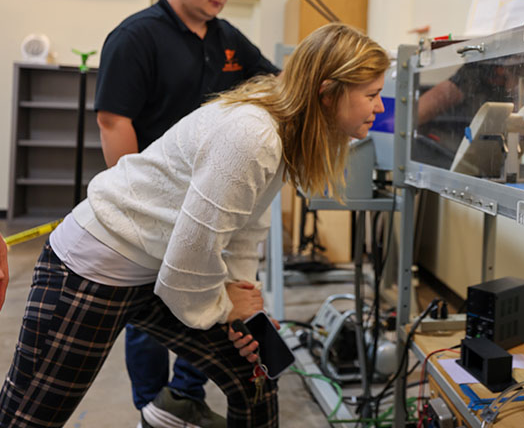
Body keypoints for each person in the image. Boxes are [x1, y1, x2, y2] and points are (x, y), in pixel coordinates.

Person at [0, 23, 390, 428]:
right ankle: (163, 411)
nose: (379, 109)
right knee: (29, 418)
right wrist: (223, 307)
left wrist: (242, 304)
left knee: (253, 373)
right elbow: (190, 257)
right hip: (96, 267)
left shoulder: (283, 129)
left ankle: (168, 411)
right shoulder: (253, 136)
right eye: (372, 96)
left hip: (156, 267)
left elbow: (245, 230)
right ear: (327, 92)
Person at [94, 0, 279, 427]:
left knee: (205, 299)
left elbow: (276, 87)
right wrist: (137, 204)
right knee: (151, 311)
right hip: (152, 204)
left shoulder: (228, 40)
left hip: (206, 199)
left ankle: (183, 397)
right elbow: (114, 122)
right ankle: (149, 408)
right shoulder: (137, 37)